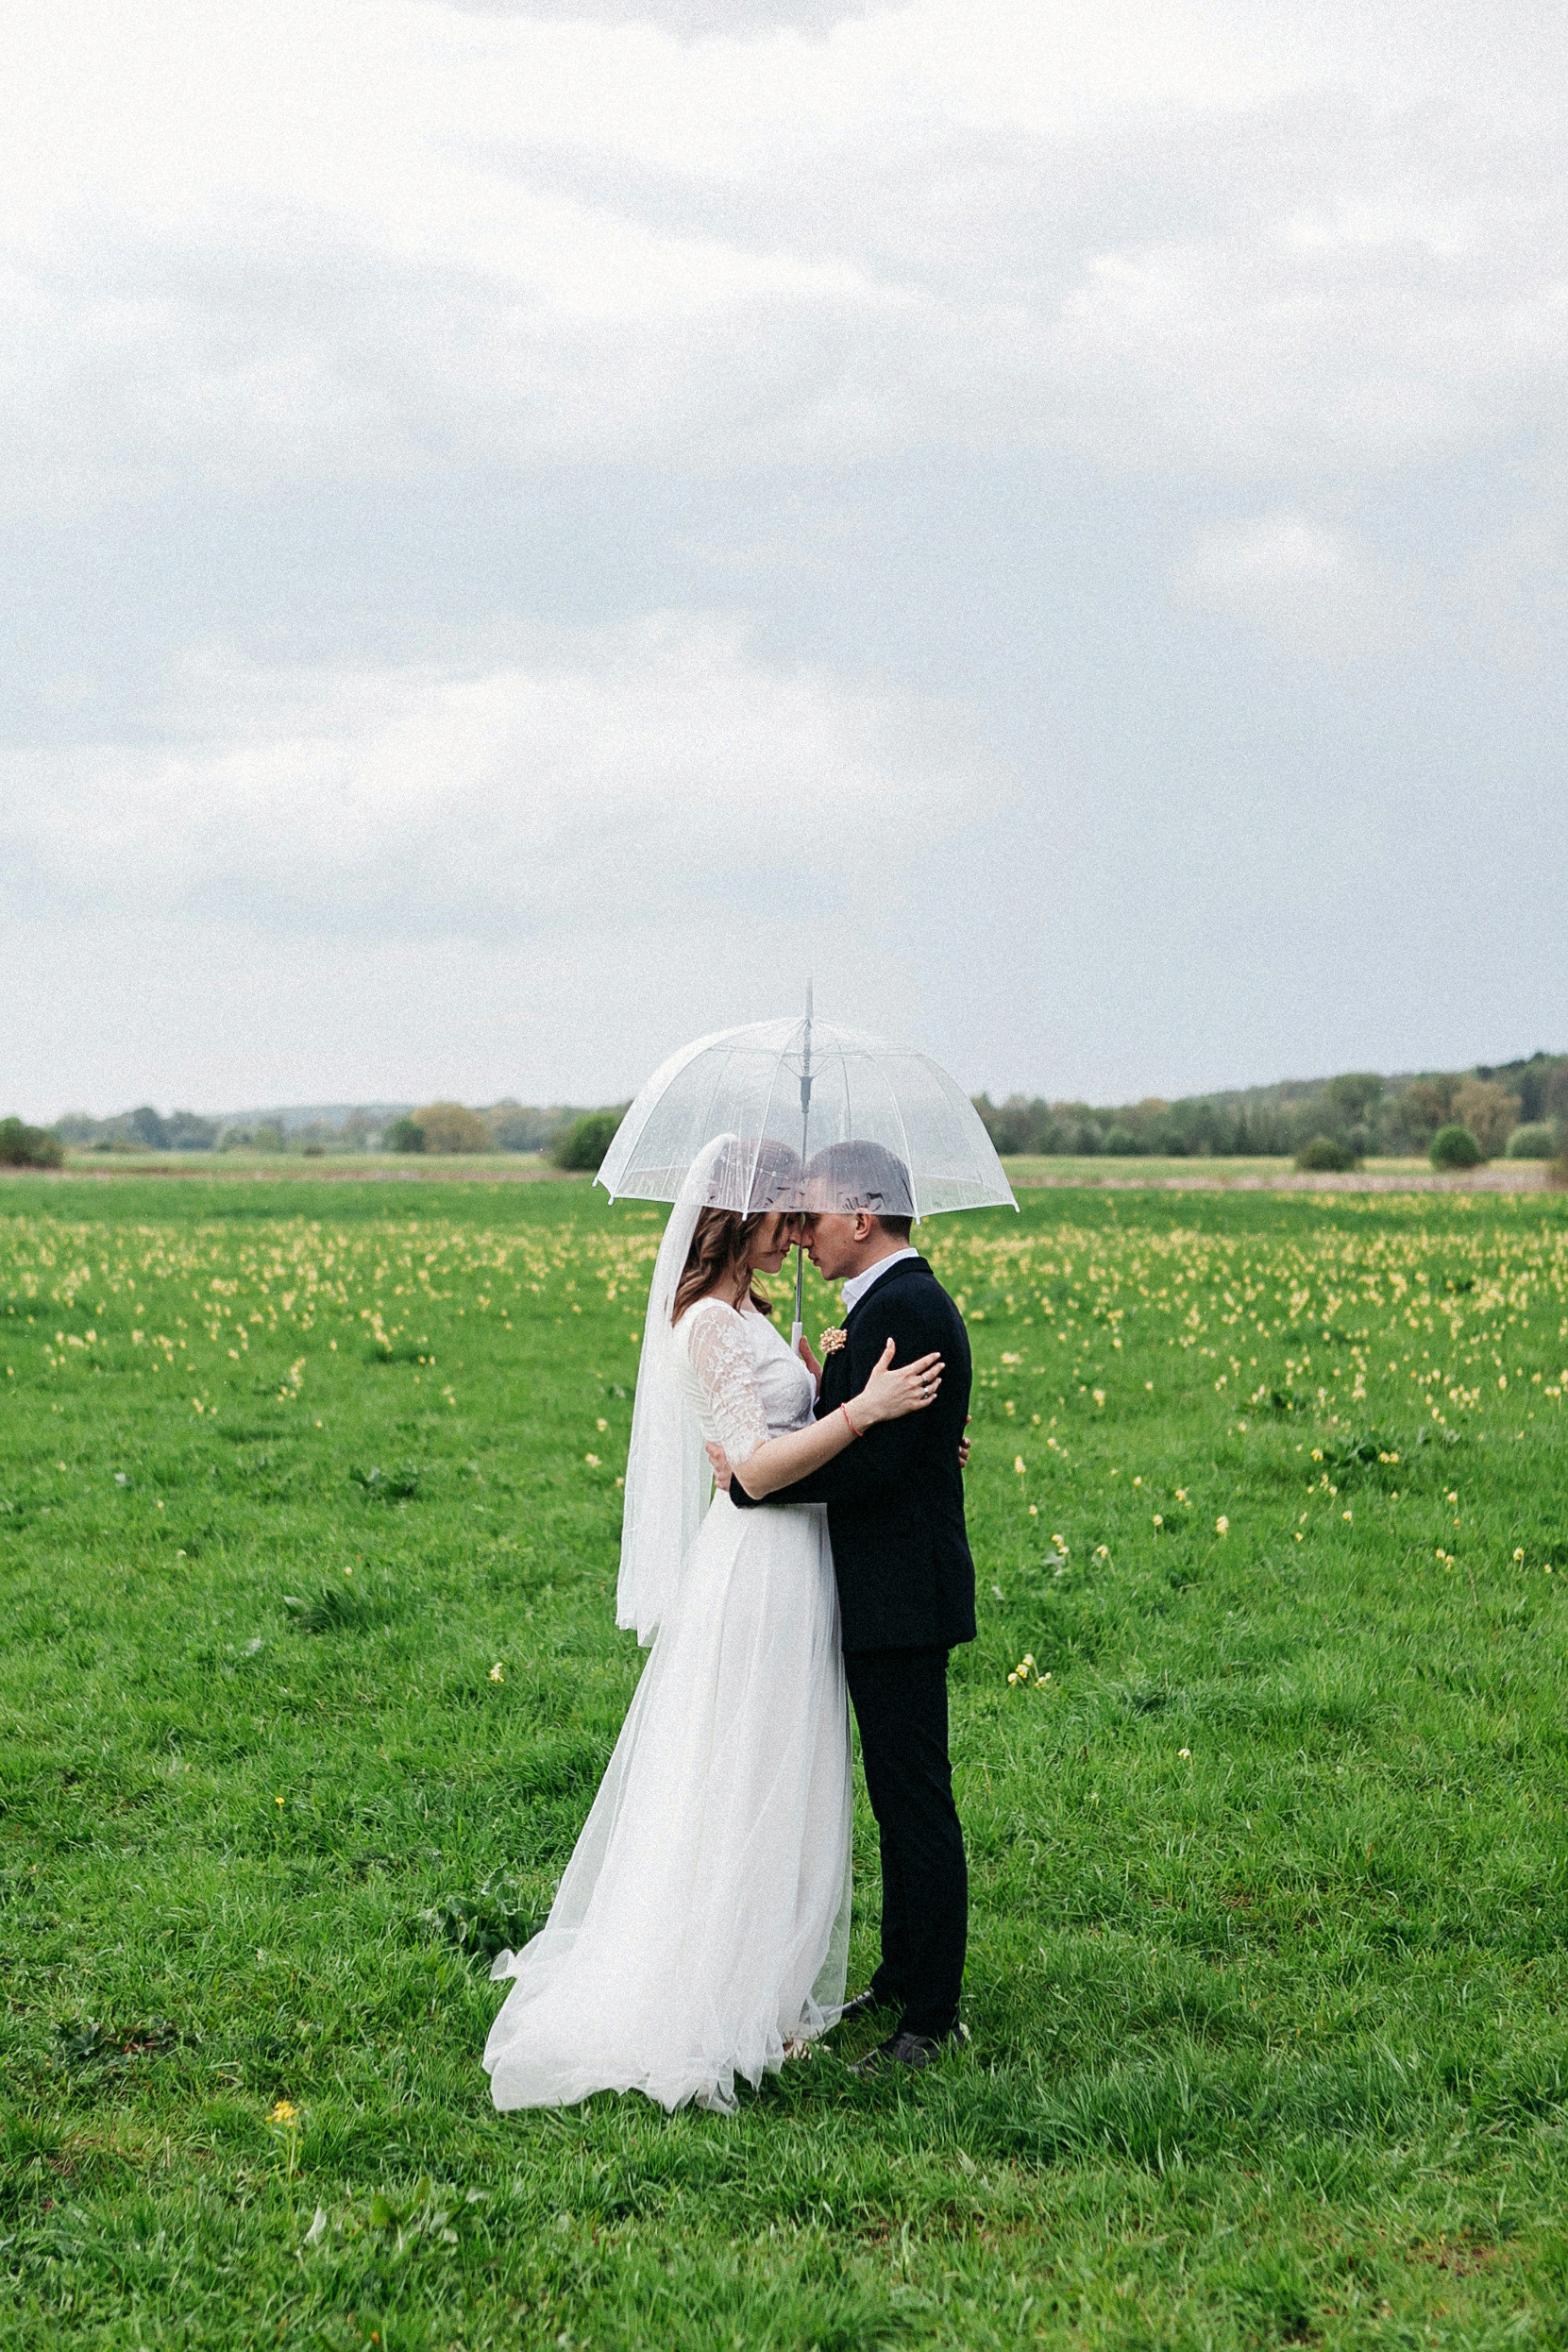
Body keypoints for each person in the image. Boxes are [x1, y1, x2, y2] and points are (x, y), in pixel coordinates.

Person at [482, 1134, 944, 2115]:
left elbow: (778, 1443)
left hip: (803, 1562)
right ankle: (715, 1993)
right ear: (740, 1216)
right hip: (759, 1571)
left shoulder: (753, 1315)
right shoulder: (704, 1323)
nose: (797, 1231)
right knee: (743, 1771)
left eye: (806, 1213)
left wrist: (856, 1406)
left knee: (789, 1768)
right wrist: (861, 1412)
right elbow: (755, 1470)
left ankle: (765, 1981)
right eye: (784, 1213)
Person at [712, 1139, 974, 2074]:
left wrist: (750, 1485)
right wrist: (831, 1388)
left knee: (914, 1801)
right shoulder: (887, 1303)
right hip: (884, 1585)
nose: (801, 1234)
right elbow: (882, 1440)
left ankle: (930, 2016)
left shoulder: (902, 1306)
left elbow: (871, 1465)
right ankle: (901, 1975)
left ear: (861, 1217)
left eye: (814, 1216)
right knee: (896, 1798)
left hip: (900, 1592)